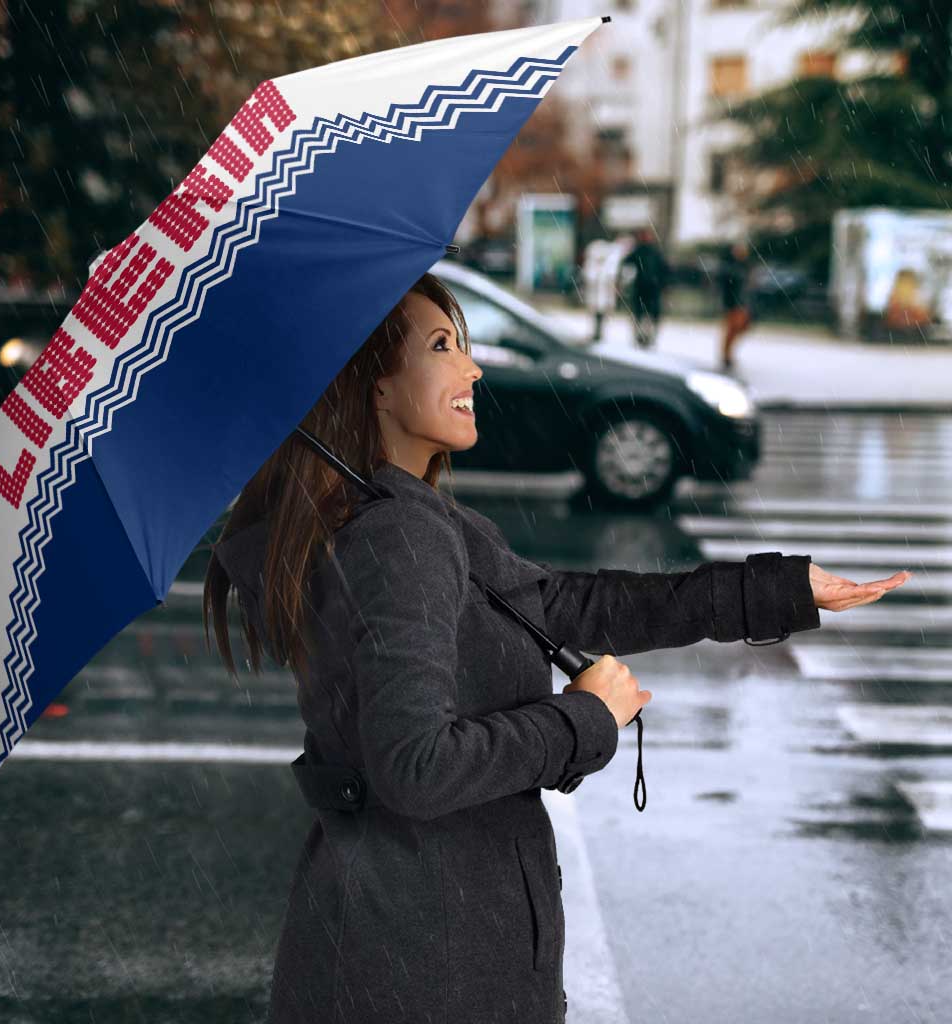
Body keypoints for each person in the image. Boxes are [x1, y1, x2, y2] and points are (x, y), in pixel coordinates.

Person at [203, 272, 909, 1024]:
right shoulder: (397, 536)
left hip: (411, 943)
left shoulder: (408, 519)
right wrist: (583, 719)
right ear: (373, 387)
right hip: (424, 963)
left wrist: (778, 590)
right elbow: (415, 768)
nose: (472, 368)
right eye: (442, 347)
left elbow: (570, 605)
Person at [620, 226, 670, 349]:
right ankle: (641, 337)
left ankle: (647, 337)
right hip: (643, 288)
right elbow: (626, 264)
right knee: (641, 314)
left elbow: (664, 270)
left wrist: (663, 284)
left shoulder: (653, 252)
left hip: (651, 288)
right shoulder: (640, 251)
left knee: (648, 315)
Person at [718, 239, 754, 370]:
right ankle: (726, 355)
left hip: (742, 303)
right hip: (733, 303)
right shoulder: (730, 267)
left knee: (740, 328)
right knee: (732, 329)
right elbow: (727, 286)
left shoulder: (745, 266)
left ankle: (727, 354)